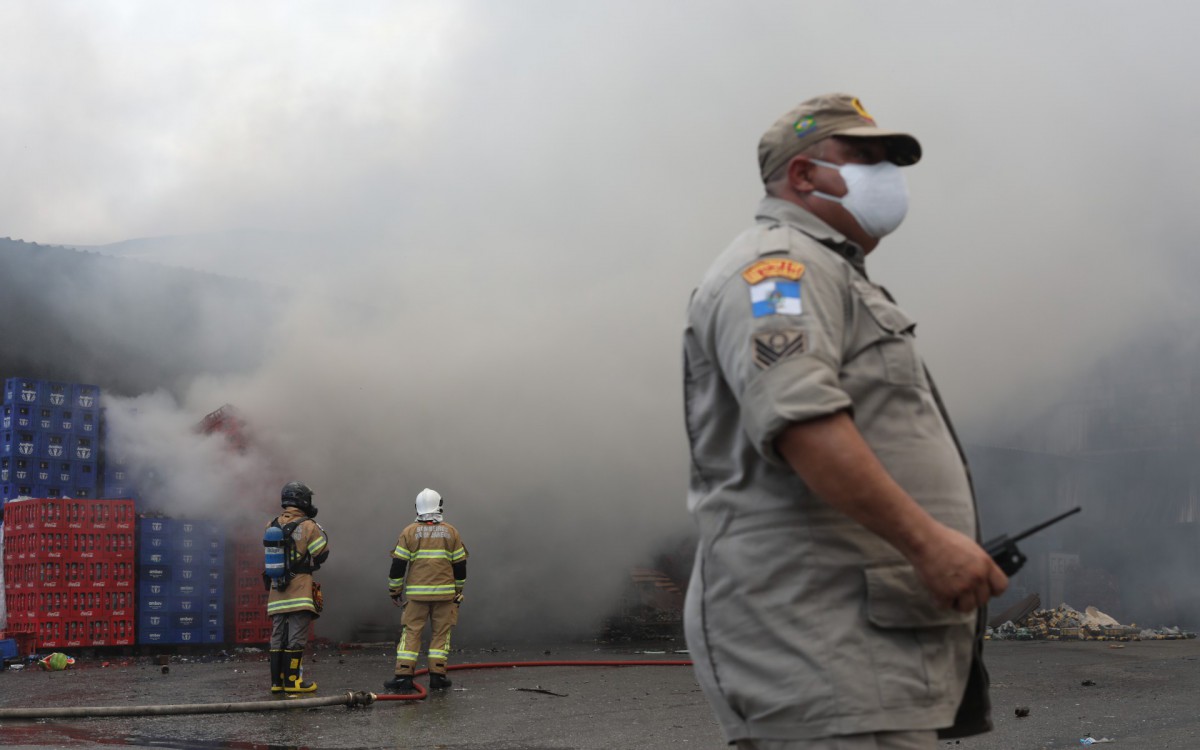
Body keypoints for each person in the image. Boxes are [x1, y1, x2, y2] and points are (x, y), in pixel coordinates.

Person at [681, 93, 1009, 749]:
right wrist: (929, 543)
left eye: (890, 161)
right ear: (802, 175)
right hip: (821, 640)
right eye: (864, 158)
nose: (886, 176)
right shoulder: (780, 270)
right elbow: (802, 422)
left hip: (863, 645)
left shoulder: (831, 272)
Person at [382, 487, 468, 694]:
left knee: (411, 633)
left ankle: (403, 677)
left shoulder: (409, 532)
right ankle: (438, 677)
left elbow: (398, 565)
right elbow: (460, 565)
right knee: (441, 634)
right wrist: (458, 589)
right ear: (439, 505)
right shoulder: (451, 532)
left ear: (417, 507)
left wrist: (394, 590)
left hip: (417, 597)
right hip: (445, 595)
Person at [265, 481, 329, 694]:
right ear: (303, 500)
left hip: (276, 592)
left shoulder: (271, 525)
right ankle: (293, 681)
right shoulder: (309, 526)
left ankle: (277, 682)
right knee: (296, 637)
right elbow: (322, 553)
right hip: (299, 591)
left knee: (277, 635)